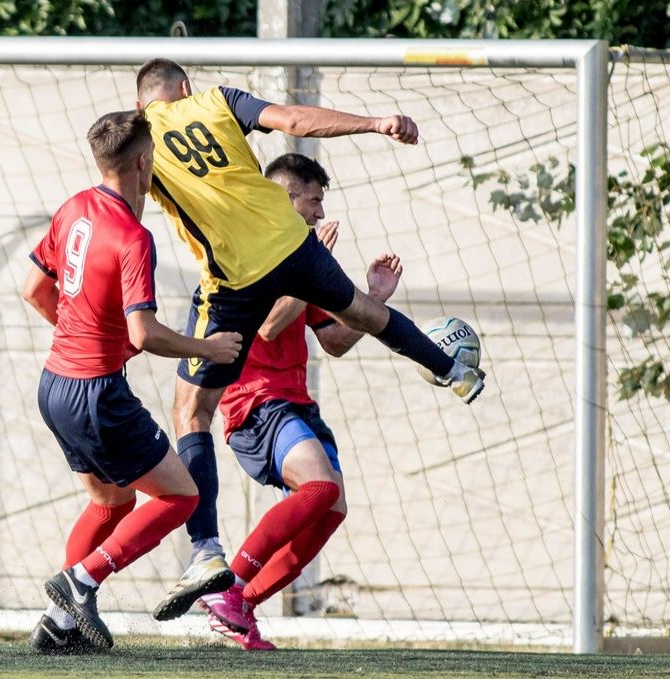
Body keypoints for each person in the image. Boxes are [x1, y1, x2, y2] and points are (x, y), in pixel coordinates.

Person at [135, 59, 486, 623]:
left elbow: (125, 207)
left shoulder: (142, 141)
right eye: (314, 201)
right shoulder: (217, 101)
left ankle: (209, 557)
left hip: (234, 278)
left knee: (191, 413)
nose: (321, 209)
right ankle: (449, 368)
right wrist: (375, 122)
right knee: (364, 317)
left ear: (140, 105)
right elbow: (295, 119)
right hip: (276, 327)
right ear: (186, 89)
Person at [21, 109, 242, 654]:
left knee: (111, 504)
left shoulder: (73, 208)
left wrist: (84, 332)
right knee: (182, 496)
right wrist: (206, 347)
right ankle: (81, 582)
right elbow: (143, 334)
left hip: (55, 386)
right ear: (144, 162)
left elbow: (33, 289)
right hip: (97, 394)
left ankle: (57, 622)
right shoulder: (133, 236)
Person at [196, 153, 402, 650]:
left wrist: (376, 298)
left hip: (295, 405)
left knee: (332, 508)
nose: (319, 212)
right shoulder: (249, 251)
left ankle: (240, 606)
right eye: (313, 201)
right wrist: (310, 261)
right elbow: (266, 325)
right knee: (319, 488)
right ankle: (228, 590)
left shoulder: (303, 259)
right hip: (257, 403)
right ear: (286, 200)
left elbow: (333, 341)